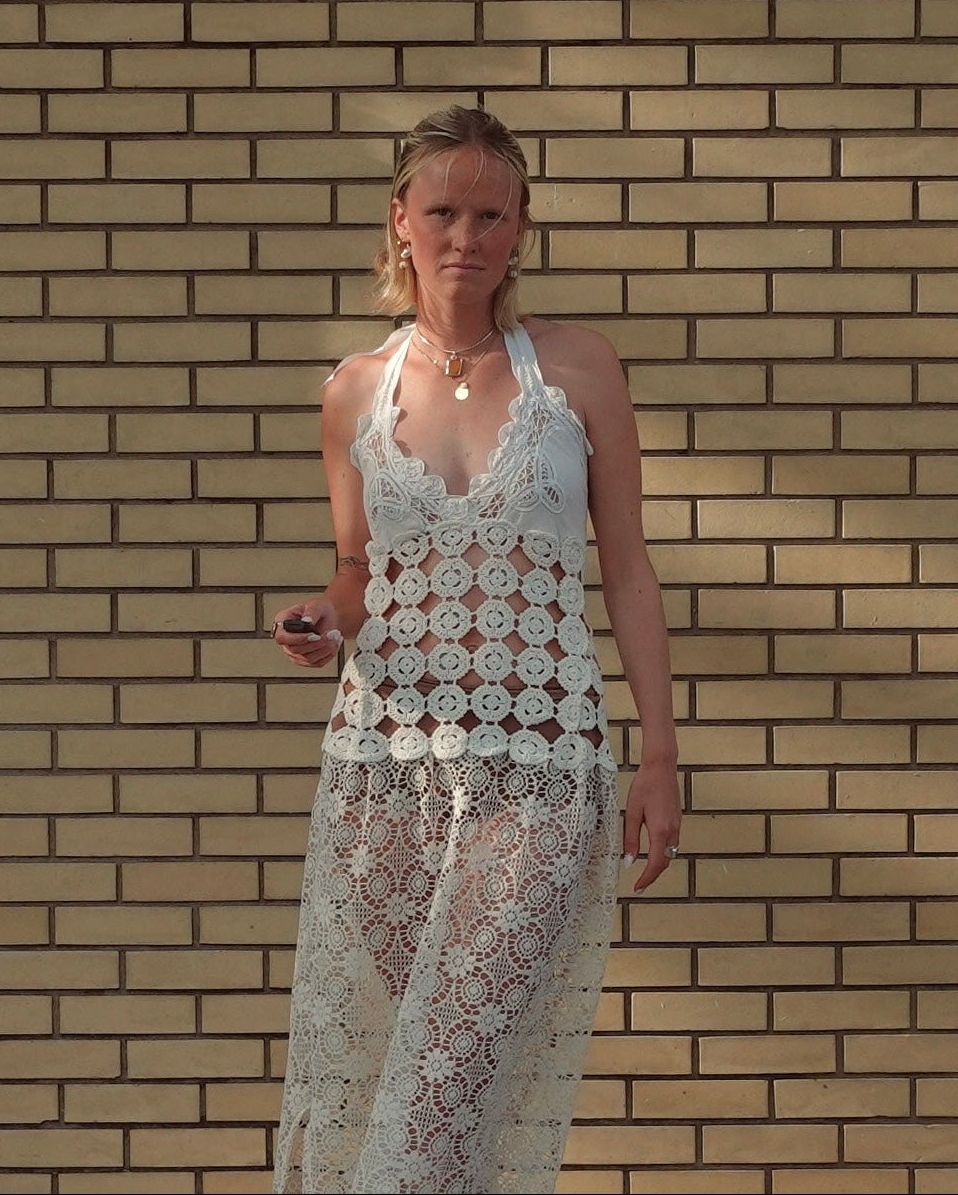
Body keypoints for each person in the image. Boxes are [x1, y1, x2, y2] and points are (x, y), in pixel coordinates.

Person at [266, 105, 684, 1193]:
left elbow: (628, 568)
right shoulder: (354, 389)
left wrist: (658, 756)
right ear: (400, 219)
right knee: (425, 1078)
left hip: (539, 766)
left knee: (443, 1080)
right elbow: (359, 572)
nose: (465, 234)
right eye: (442, 209)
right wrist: (324, 618)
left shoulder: (578, 371)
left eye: (489, 213)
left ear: (519, 228)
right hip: (383, 767)